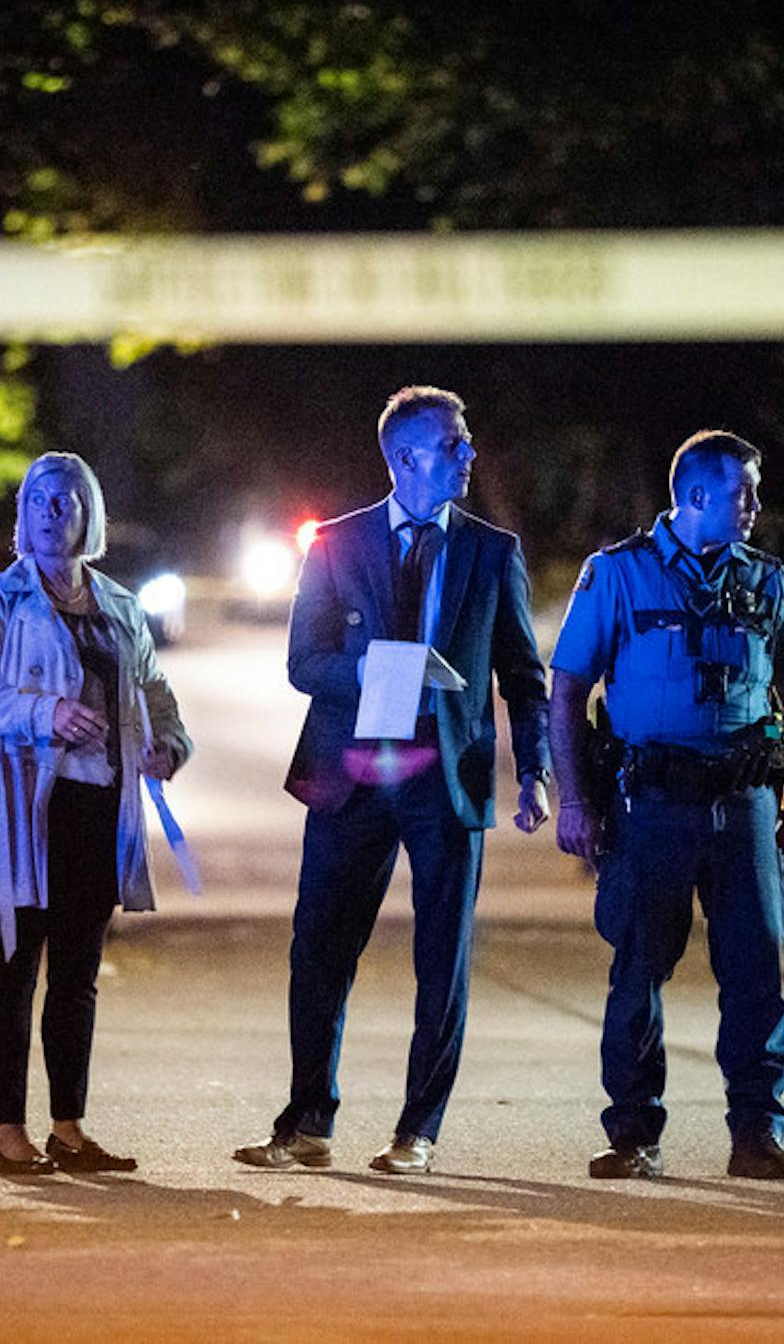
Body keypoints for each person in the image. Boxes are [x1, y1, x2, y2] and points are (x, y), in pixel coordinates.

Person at [234, 387, 551, 1177]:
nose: (468, 454)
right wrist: (372, 666)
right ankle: (307, 1120)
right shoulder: (336, 545)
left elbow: (523, 674)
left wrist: (537, 770)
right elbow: (303, 662)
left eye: (467, 440)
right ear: (404, 458)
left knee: (442, 958)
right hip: (352, 771)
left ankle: (418, 1129)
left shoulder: (491, 551)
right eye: (453, 444)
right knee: (318, 949)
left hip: (445, 774)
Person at [548, 429, 784, 1182]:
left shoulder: (770, 583)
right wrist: (574, 798)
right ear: (697, 495)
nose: (756, 506)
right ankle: (633, 1133)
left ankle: (757, 1134)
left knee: (756, 975)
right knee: (637, 972)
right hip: (649, 806)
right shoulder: (617, 575)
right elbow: (568, 689)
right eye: (744, 492)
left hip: (743, 808)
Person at [0, 451, 192, 1175]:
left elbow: (154, 689)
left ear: (90, 515)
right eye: (40, 501)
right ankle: (7, 1129)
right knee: (17, 965)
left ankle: (69, 1126)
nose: (53, 512)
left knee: (79, 971)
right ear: (21, 515)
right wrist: (42, 712)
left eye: (67, 501)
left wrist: (170, 744)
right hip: (28, 805)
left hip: (97, 806)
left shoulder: (118, 604)